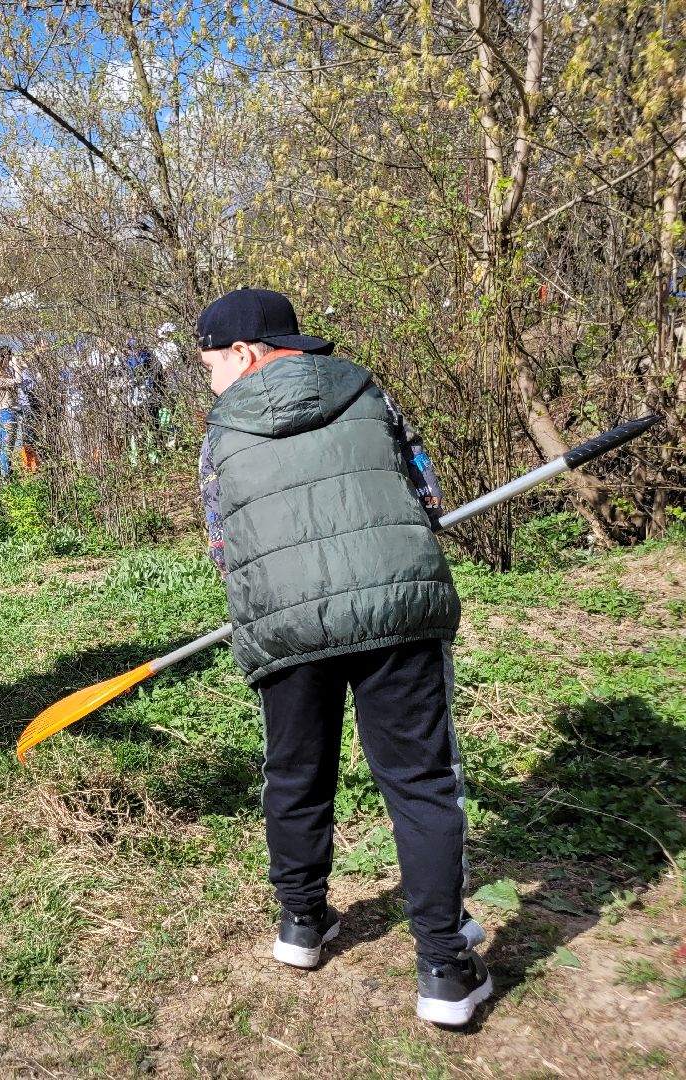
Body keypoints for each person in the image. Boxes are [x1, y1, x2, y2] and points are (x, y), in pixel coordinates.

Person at [195, 287, 490, 1027]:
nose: (209, 382)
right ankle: (445, 971)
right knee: (421, 784)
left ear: (243, 353)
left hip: (286, 627)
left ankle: (301, 924)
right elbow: (425, 493)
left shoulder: (220, 430)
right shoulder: (367, 388)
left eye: (209, 365)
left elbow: (223, 543)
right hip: (396, 609)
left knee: (295, 771)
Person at [0, 346, 24, 478]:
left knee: (5, 446)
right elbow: (19, 381)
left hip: (5, 414)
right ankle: (5, 476)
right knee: (7, 447)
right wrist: (15, 365)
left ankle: (4, 472)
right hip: (7, 414)